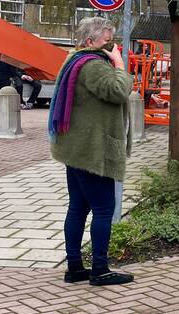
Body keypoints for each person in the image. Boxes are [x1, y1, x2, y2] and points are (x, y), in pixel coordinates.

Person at [48, 16, 134, 286]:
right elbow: (118, 91)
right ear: (90, 42)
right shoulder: (94, 64)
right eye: (108, 41)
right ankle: (100, 269)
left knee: (78, 207)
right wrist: (120, 66)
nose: (113, 47)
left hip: (75, 147)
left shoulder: (74, 59)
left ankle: (74, 267)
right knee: (104, 208)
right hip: (92, 150)